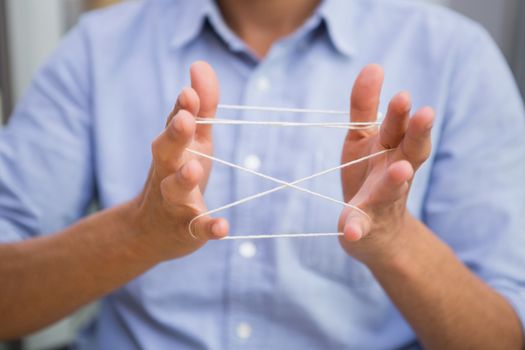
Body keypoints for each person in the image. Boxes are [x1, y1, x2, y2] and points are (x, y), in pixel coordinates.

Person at [1, 0, 524, 348]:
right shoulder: (99, 48)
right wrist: (137, 235)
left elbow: (503, 336)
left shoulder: (456, 55)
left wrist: (394, 243)